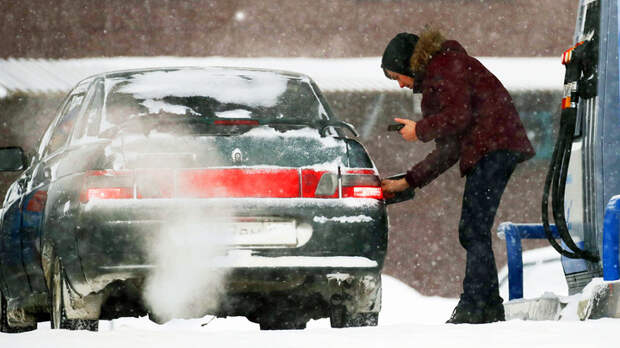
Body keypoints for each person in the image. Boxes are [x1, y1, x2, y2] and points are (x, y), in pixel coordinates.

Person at [379, 28, 536, 324]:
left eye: (396, 76)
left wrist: (420, 130)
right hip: (494, 148)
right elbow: (449, 149)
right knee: (473, 228)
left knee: (473, 228)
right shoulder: (440, 74)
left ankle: (476, 306)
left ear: (407, 64)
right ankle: (485, 305)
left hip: (495, 147)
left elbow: (458, 117)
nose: (399, 85)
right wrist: (408, 180)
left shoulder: (445, 66)